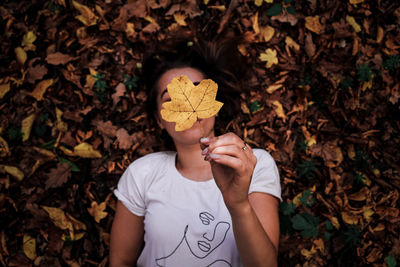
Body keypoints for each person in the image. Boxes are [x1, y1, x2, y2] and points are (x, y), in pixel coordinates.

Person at [109, 36, 281, 267]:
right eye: (172, 100)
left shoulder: (252, 162)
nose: (188, 106)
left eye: (198, 95)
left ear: (214, 106)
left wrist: (238, 204)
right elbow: (120, 260)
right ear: (159, 119)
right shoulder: (142, 173)